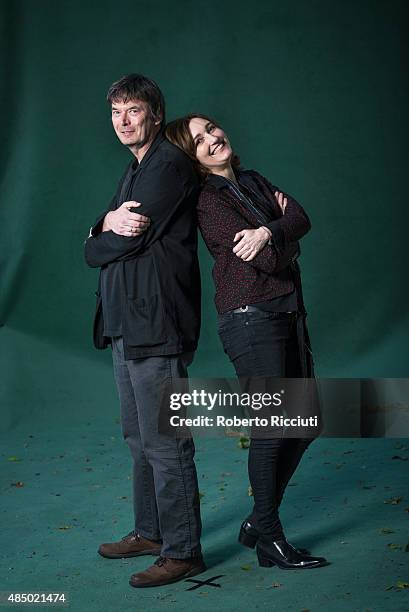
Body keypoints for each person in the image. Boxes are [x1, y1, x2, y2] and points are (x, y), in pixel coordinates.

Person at [166, 114, 328, 570]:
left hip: (287, 312)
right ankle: (270, 539)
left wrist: (268, 230)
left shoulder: (252, 179)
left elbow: (300, 218)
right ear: (193, 158)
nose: (212, 139)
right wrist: (280, 234)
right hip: (251, 320)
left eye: (212, 129)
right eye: (199, 141)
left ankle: (259, 521)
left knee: (305, 423)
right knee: (273, 427)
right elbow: (273, 262)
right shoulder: (206, 201)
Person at [84, 76, 205, 588]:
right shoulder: (135, 169)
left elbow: (109, 246)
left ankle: (184, 551)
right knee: (137, 436)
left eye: (133, 110)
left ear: (156, 114)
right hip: (124, 324)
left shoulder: (169, 166)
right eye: (116, 112)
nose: (124, 121)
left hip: (155, 322)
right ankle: (151, 532)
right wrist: (104, 224)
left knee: (164, 439)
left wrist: (101, 235)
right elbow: (102, 238)